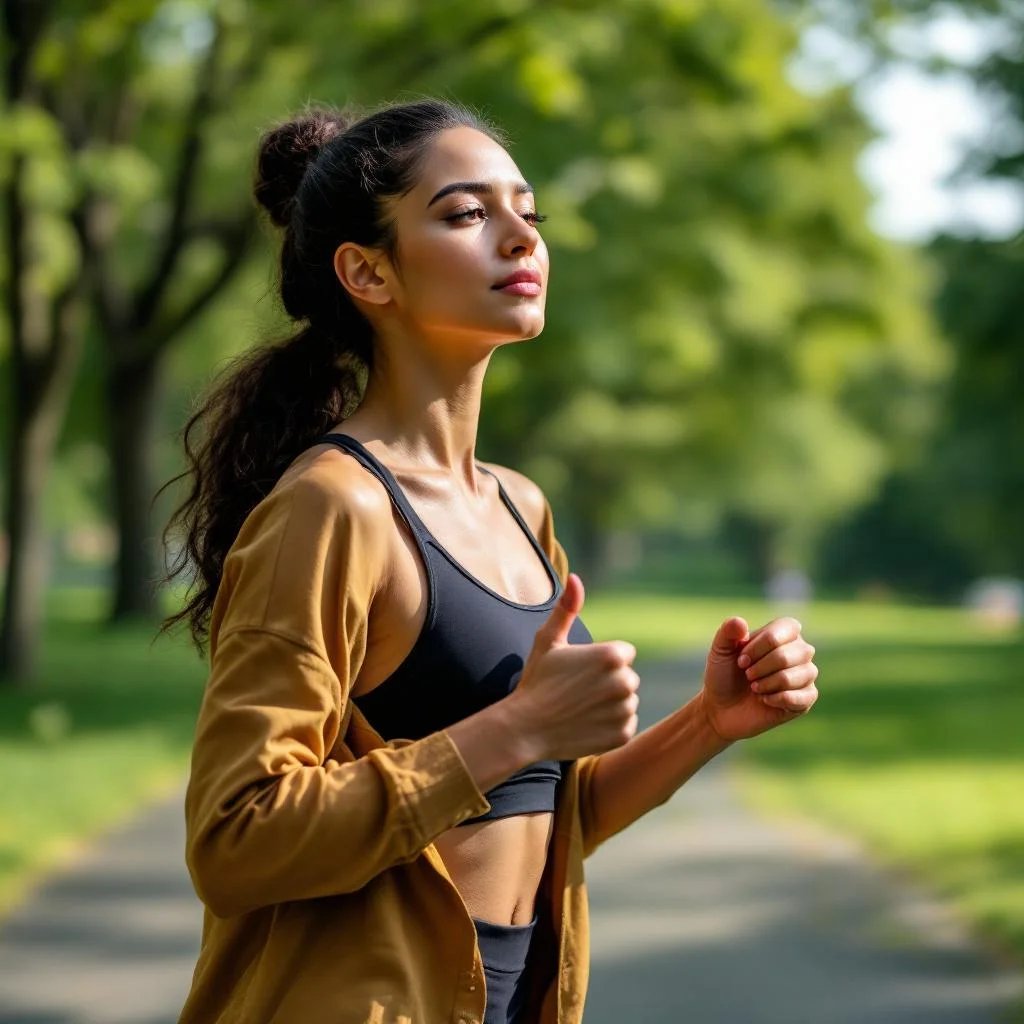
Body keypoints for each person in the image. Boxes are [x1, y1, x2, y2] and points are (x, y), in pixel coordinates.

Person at [159, 97, 820, 1024]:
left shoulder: (519, 503)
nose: (522, 238)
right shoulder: (332, 507)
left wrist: (709, 723)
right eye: (468, 214)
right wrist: (515, 727)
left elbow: (547, 808)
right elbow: (235, 841)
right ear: (367, 272)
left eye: (528, 212)